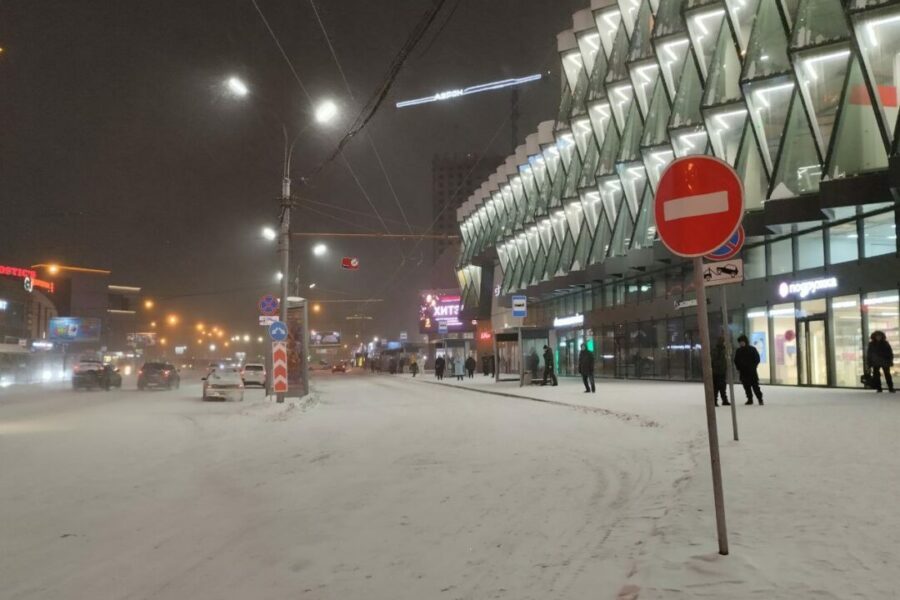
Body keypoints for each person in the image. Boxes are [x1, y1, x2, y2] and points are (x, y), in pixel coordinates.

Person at [733, 334, 763, 405]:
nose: (741, 343)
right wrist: (738, 368)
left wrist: (753, 367)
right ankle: (750, 399)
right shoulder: (738, 351)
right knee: (746, 387)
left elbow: (757, 359)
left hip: (752, 372)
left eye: (742, 342)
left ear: (745, 341)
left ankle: (760, 399)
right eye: (740, 342)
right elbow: (736, 360)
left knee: (755, 386)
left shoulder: (752, 349)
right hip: (743, 372)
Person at [711, 336, 730, 406]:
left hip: (722, 371)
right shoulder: (716, 350)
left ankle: (724, 400)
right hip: (717, 371)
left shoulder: (725, 350)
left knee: (722, 387)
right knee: (716, 387)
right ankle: (715, 401)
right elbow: (714, 360)